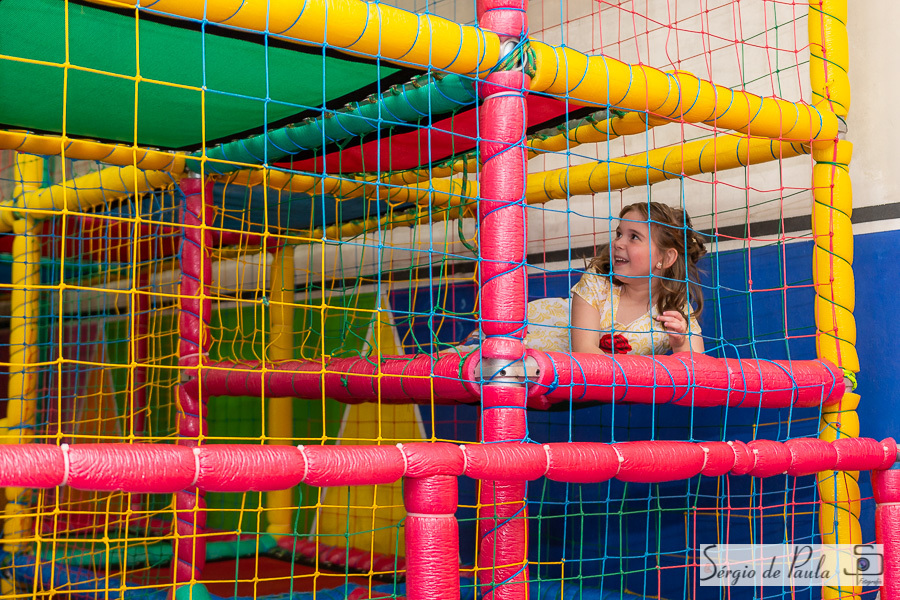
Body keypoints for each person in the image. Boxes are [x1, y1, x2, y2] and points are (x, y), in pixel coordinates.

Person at [526, 201, 706, 355]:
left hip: (594, 383)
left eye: (634, 237)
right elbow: (584, 351)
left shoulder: (675, 308)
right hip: (531, 340)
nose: (618, 243)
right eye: (619, 234)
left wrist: (681, 344)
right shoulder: (597, 282)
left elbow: (697, 370)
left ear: (666, 258)